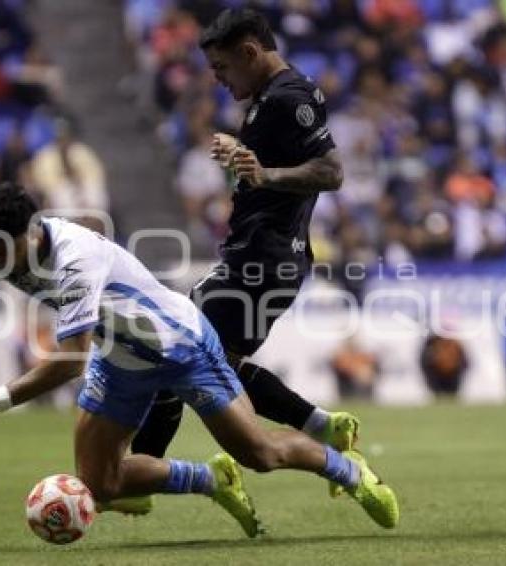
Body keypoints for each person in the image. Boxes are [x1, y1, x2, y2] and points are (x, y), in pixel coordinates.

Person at [0, 184, 399, 537]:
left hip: (181, 346)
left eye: (4, 249)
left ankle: (349, 470)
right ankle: (212, 481)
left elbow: (68, 362)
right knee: (99, 484)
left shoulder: (75, 260)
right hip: (120, 355)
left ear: (30, 230)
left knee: (260, 453)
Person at [132, 8, 360, 503]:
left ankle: (134, 476)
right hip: (260, 254)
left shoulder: (288, 98)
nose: (218, 80)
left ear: (250, 52)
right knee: (212, 362)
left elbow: (332, 171)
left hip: (262, 259)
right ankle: (322, 426)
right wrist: (241, 156)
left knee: (179, 353)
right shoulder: (269, 99)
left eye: (221, 69)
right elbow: (273, 166)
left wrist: (264, 175)